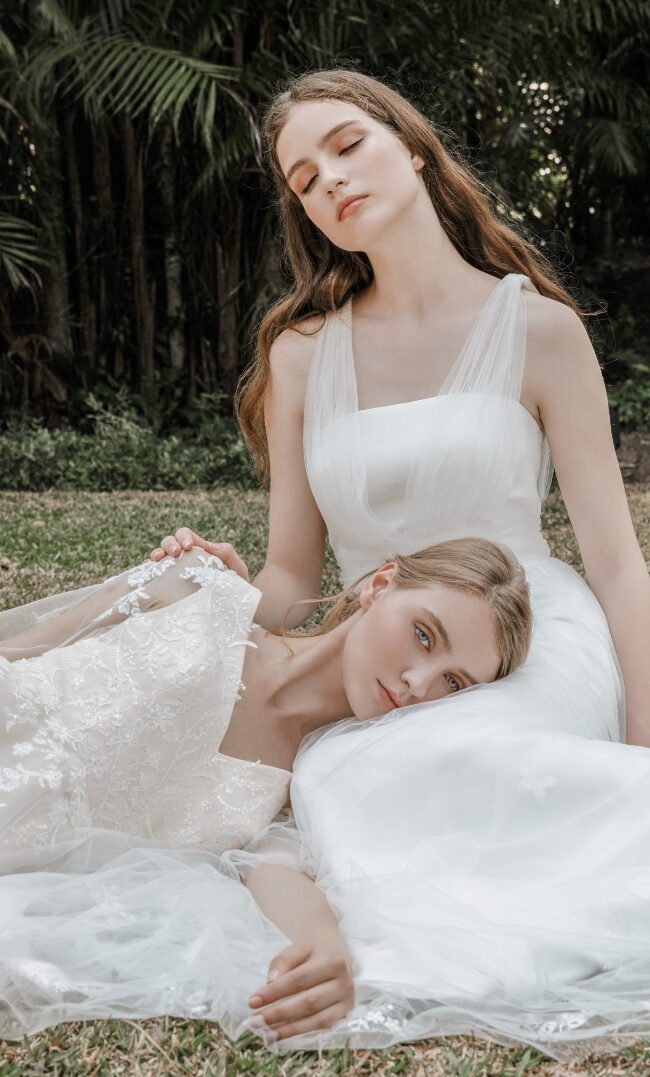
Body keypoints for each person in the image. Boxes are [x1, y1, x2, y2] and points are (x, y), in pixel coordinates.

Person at [142, 69, 650, 1059]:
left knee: (469, 755)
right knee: (349, 774)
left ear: (410, 149)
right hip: (383, 636)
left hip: (521, 625)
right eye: (302, 178)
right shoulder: (300, 351)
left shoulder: (539, 332)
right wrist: (220, 588)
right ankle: (365, 935)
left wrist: (640, 745)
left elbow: (618, 566)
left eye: (346, 145)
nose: (327, 179)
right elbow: (295, 576)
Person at [0, 537, 530, 1042]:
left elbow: (276, 870)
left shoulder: (312, 781)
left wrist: (322, 947)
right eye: (423, 635)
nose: (419, 682)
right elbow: (16, 651)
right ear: (380, 585)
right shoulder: (200, 585)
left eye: (454, 682)